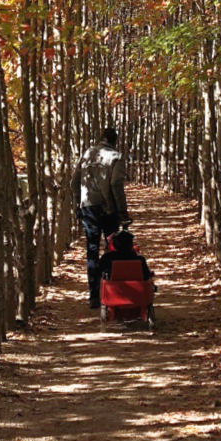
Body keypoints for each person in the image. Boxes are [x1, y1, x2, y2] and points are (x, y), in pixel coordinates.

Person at [71, 125, 129, 310]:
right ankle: (112, 292)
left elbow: (74, 182)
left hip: (88, 207)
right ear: (115, 141)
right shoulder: (116, 157)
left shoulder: (87, 154)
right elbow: (116, 185)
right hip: (108, 209)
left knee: (92, 249)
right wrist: (122, 212)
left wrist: (78, 203)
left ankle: (93, 295)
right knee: (113, 247)